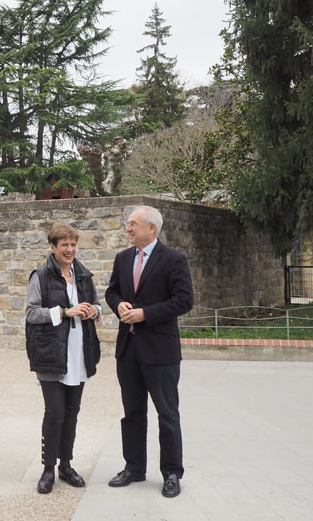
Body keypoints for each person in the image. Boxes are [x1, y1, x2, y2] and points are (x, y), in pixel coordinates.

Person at [104, 206, 193, 498]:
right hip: (128, 350)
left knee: (167, 414)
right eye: (127, 224)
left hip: (161, 352)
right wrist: (118, 305)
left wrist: (145, 314)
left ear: (151, 228)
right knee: (132, 413)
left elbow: (183, 301)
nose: (127, 229)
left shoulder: (174, 260)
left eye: (133, 224)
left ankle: (171, 473)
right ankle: (134, 467)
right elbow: (112, 291)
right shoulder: (123, 258)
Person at [25, 223, 102, 494]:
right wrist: (63, 312)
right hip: (51, 355)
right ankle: (48, 469)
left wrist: (93, 311)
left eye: (73, 244)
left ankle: (66, 465)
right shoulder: (42, 276)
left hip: (79, 354)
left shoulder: (83, 275)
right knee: (54, 413)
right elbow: (32, 314)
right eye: (64, 245)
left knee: (72, 414)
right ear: (53, 247)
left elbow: (97, 305)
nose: (69, 249)